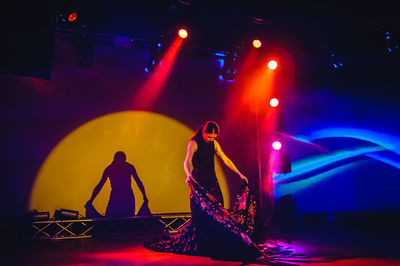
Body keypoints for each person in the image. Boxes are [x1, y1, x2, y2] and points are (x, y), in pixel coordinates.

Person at [145, 121, 261, 261]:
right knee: (200, 217)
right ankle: (203, 244)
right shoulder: (194, 143)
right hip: (199, 184)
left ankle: (218, 242)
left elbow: (225, 159)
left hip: (213, 182)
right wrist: (188, 175)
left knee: (219, 214)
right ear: (204, 132)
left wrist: (239, 174)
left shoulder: (214, 144)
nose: (211, 139)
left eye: (214, 137)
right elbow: (186, 161)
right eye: (209, 137)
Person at [85, 151, 148, 217]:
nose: (121, 163)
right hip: (116, 198)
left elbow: (138, 182)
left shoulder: (129, 167)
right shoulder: (110, 169)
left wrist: (144, 195)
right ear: (115, 159)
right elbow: (100, 185)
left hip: (127, 198)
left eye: (122, 160)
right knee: (113, 219)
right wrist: (91, 199)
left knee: (126, 219)